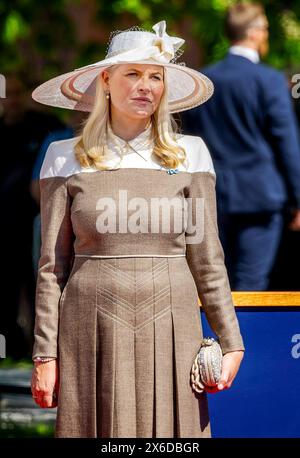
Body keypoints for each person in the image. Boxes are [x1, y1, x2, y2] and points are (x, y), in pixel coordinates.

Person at [30, 20, 245, 438]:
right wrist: (44, 356)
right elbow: (51, 268)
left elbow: (207, 258)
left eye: (155, 77)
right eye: (133, 74)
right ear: (105, 81)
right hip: (88, 329)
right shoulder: (62, 157)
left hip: (174, 326)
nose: (145, 86)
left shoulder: (192, 154)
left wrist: (231, 341)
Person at [180, 2, 300, 291]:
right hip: (260, 197)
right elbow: (286, 142)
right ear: (256, 33)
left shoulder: (205, 81)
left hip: (212, 196)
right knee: (251, 284)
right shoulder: (269, 80)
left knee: (215, 282)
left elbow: (190, 138)